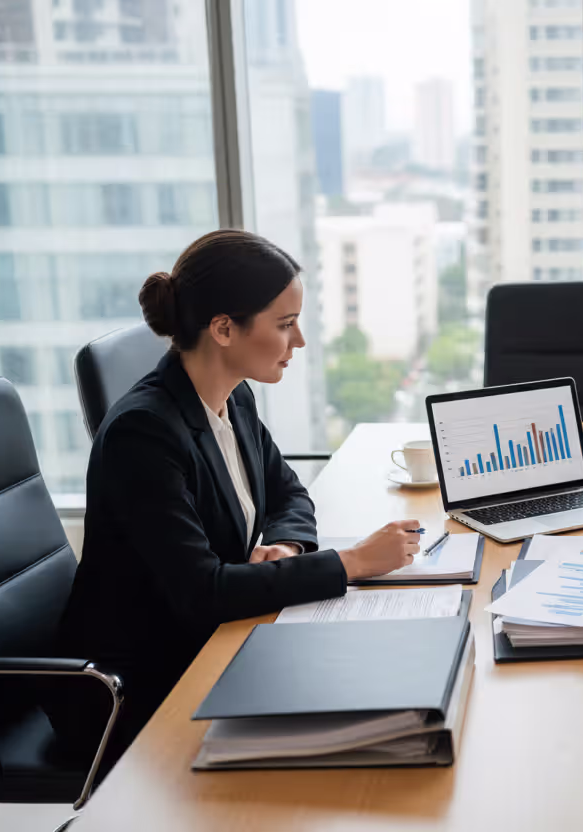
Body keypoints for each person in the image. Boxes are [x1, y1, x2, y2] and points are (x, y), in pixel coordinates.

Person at [54, 230, 421, 759]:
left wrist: (289, 547)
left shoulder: (233, 396)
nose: (298, 343)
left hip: (214, 641)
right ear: (224, 329)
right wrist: (352, 562)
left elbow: (288, 493)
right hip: (138, 684)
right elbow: (202, 594)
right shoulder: (144, 434)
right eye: (285, 325)